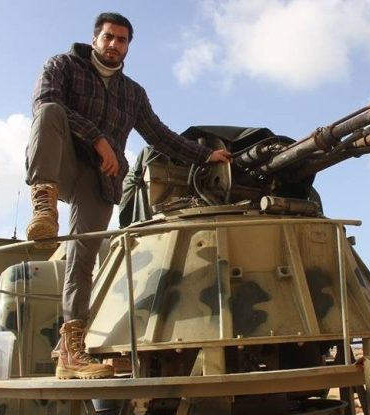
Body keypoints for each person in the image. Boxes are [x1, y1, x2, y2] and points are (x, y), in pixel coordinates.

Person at [24, 12, 231, 379]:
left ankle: (71, 354)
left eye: (121, 40)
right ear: (94, 39)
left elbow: (160, 136)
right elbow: (44, 103)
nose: (114, 44)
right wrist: (97, 138)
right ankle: (44, 207)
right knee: (50, 112)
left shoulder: (132, 93)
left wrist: (206, 156)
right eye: (108, 37)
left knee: (82, 260)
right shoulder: (62, 65)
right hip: (62, 163)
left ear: (128, 47)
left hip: (100, 180)